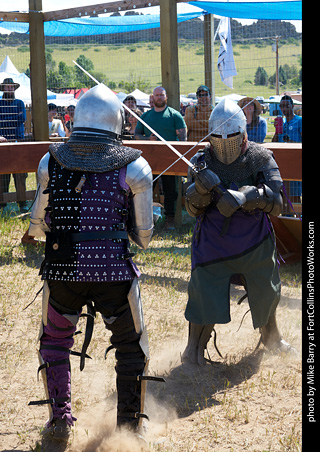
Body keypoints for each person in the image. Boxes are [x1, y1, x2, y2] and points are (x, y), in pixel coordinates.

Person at [27, 84, 161, 443]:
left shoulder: (50, 161)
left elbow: (36, 226)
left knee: (54, 342)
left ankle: (59, 420)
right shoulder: (135, 165)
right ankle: (130, 429)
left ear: (78, 119)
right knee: (132, 347)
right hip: (114, 274)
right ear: (116, 121)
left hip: (63, 270)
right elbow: (144, 238)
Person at [181, 98, 293, 366]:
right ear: (211, 136)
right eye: (218, 137)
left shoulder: (259, 157)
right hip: (212, 245)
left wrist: (248, 197)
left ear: (243, 133)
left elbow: (277, 205)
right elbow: (190, 209)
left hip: (253, 243)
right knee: (204, 292)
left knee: (265, 288)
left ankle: (272, 337)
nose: (225, 143)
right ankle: (192, 350)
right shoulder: (201, 161)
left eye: (231, 136)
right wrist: (201, 190)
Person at [134, 86, 187, 230]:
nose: (159, 97)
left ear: (166, 97)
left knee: (171, 191)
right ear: (153, 97)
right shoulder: (145, 117)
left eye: (161, 95)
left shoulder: (174, 115)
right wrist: (147, 140)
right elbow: (136, 135)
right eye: (156, 95)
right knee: (145, 189)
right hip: (149, 161)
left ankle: (169, 219)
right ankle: (144, 220)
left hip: (169, 159)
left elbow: (183, 138)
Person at [0, 77, 27, 210]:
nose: (10, 89)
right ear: (3, 88)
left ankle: (22, 203)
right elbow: (16, 118)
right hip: (2, 143)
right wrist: (13, 118)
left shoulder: (20, 103)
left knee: (20, 174)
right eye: (7, 87)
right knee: (3, 175)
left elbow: (22, 119)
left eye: (11, 87)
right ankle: (2, 204)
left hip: (18, 142)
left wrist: (4, 119)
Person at [272, 94, 302, 206]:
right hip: (281, 166)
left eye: (286, 106)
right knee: (283, 197)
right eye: (281, 106)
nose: (284, 109)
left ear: (292, 106)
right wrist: (276, 131)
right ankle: (287, 219)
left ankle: (299, 220)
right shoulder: (282, 123)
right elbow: (274, 144)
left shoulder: (299, 121)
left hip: (295, 164)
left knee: (295, 197)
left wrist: (291, 142)